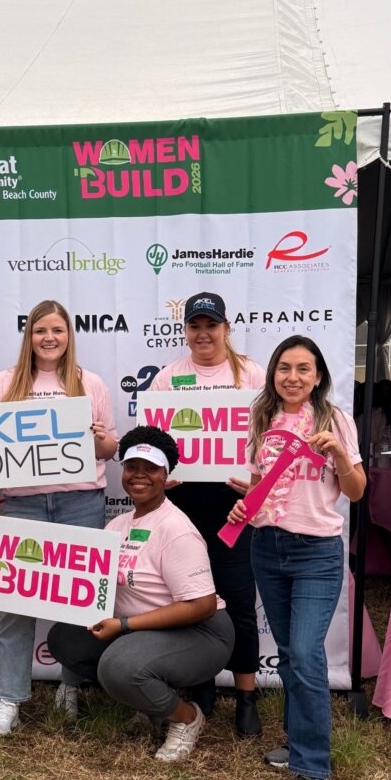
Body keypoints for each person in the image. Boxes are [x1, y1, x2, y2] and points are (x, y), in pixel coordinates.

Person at [0, 426, 234, 760]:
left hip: (202, 632)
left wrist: (125, 625)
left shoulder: (175, 528)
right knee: (66, 639)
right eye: (131, 467)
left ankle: (186, 717)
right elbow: (66, 575)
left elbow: (201, 605)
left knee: (118, 667)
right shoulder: (118, 525)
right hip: (152, 631)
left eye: (151, 469)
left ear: (166, 475)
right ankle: (150, 703)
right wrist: (1, 567)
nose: (139, 475)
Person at [227, 335, 366, 780]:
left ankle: (313, 765)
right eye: (284, 368)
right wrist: (242, 508)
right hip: (267, 547)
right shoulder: (261, 418)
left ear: (319, 376)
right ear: (273, 375)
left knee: (306, 654)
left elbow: (357, 491)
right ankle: (298, 740)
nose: (292, 377)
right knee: (288, 653)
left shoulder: (335, 420)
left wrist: (340, 456)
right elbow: (257, 486)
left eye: (303, 369)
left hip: (317, 553)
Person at [0, 299, 118, 735]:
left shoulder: (88, 383)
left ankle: (70, 686)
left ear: (69, 336)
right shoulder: (3, 382)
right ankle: (9, 699)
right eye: (41, 330)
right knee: (13, 605)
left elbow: (109, 449)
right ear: (29, 336)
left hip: (80, 502)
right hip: (23, 504)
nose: (49, 338)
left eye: (57, 330)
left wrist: (101, 439)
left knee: (80, 600)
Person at [149, 292, 266, 736]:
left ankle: (246, 697)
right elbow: (156, 441)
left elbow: (269, 438)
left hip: (235, 506)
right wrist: (164, 470)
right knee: (189, 600)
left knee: (237, 601)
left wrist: (257, 483)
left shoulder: (251, 374)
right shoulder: (169, 377)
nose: (203, 334)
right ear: (186, 330)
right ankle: (199, 688)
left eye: (211, 325)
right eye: (195, 326)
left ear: (225, 327)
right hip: (183, 506)